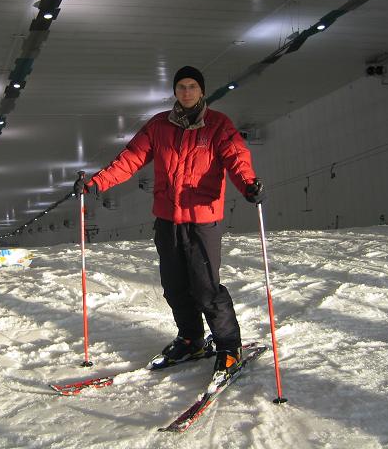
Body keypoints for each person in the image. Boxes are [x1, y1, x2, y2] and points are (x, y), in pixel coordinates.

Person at [74, 66, 266, 386]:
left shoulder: (218, 125)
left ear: (201, 91)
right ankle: (191, 339)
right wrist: (96, 182)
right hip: (167, 219)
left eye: (192, 86)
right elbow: (131, 159)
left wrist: (248, 185)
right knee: (175, 287)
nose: (186, 92)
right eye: (181, 87)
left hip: (203, 219)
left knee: (206, 289)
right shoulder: (159, 125)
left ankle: (229, 346)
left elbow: (236, 157)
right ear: (175, 91)